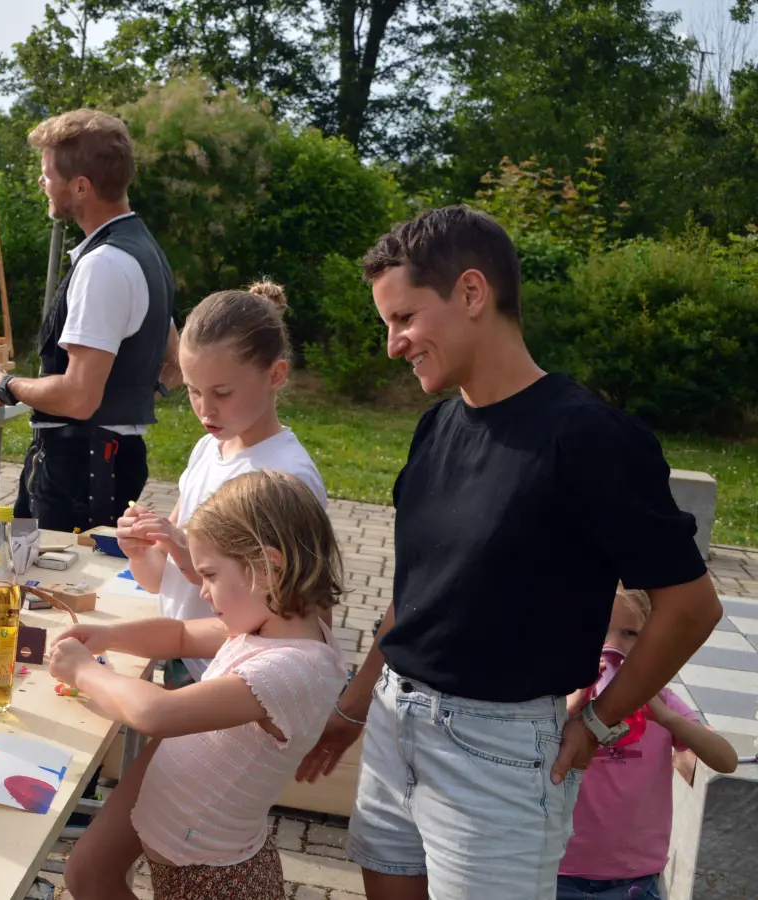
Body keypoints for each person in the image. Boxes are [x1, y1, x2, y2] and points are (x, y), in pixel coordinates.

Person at [295, 206, 723, 900]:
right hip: (395, 725)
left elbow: (692, 607)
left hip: (498, 756)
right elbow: (416, 597)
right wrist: (354, 709)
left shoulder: (589, 437)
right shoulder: (437, 426)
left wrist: (598, 721)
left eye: (403, 318)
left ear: (471, 292)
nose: (393, 345)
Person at [48, 470, 348, 900]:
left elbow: (157, 713)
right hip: (190, 857)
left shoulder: (294, 668)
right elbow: (180, 635)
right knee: (89, 873)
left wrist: (86, 672)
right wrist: (108, 635)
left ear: (268, 568)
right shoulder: (268, 625)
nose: (204, 592)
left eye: (209, 575)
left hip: (216, 881)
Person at [0, 108, 180, 534]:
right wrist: (129, 399)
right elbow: (176, 364)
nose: (42, 182)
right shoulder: (145, 249)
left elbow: (79, 398)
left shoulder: (104, 264)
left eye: (48, 174)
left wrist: (4, 385)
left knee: (46, 576)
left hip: (79, 470)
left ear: (81, 186)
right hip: (109, 460)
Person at [116, 281, 326, 690]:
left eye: (222, 393)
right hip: (185, 661)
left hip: (237, 682)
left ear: (275, 375)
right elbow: (161, 580)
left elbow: (289, 613)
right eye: (193, 391)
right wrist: (140, 549)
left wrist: (186, 553)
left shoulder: (286, 475)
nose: (205, 409)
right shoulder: (208, 449)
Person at [558, 587, 737, 900]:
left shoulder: (661, 701)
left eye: (630, 633)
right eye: (599, 631)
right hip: (560, 870)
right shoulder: (562, 701)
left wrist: (668, 718)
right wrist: (570, 709)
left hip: (634, 878)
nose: (613, 645)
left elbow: (727, 761)